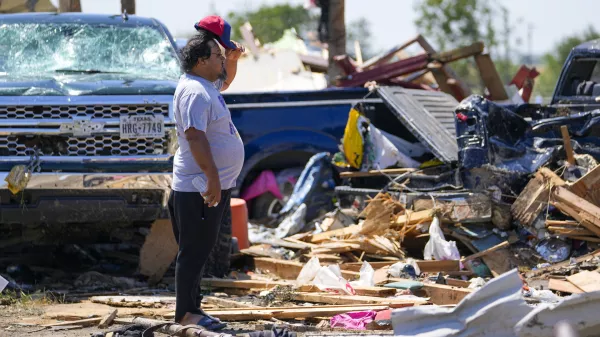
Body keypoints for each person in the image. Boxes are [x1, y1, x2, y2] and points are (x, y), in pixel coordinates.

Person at [168, 15, 244, 331]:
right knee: (193, 252)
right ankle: (186, 314)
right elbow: (195, 137)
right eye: (217, 55)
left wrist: (232, 59)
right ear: (202, 61)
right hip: (198, 186)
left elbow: (225, 81)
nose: (222, 60)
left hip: (207, 184)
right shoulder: (195, 92)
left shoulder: (204, 85)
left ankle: (193, 309)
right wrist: (212, 177)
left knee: (199, 251)